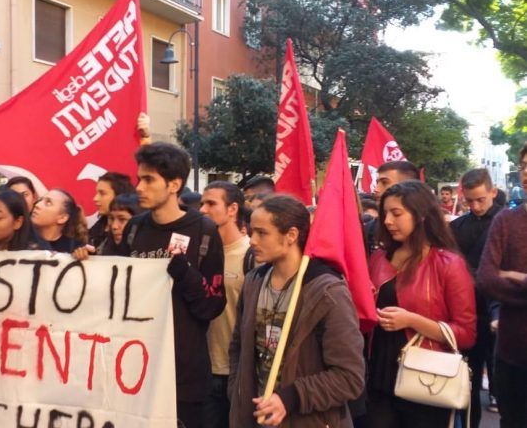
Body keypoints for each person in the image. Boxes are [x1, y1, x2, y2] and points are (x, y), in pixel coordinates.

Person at [228, 195, 365, 427]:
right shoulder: (254, 281)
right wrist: (237, 391)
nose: (252, 240)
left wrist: (290, 397)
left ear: (291, 235)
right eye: (251, 232)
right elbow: (238, 347)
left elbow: (349, 377)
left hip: (308, 419)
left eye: (262, 233)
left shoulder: (327, 291)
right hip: (255, 417)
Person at [115, 142, 225, 428]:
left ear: (174, 184)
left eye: (149, 179)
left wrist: (186, 274)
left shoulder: (204, 231)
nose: (140, 187)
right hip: (136, 370)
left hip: (184, 378)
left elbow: (212, 305)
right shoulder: (135, 228)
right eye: (140, 178)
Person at [366, 180, 476, 428]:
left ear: (422, 215)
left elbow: (466, 334)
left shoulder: (448, 264)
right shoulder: (378, 259)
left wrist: (412, 321)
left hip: (427, 380)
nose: (387, 221)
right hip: (378, 377)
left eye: (397, 214)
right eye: (385, 214)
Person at [477, 142, 527, 428]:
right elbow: (486, 279)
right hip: (511, 353)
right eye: (524, 166)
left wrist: (518, 277)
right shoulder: (506, 221)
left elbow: (498, 280)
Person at [449, 168, 503, 428]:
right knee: (467, 382)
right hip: (466, 312)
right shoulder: (457, 226)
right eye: (470, 201)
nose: (475, 206)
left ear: (493, 192)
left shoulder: (506, 222)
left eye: (481, 199)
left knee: (502, 381)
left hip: (498, 312)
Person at [198, 181, 251, 428]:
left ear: (232, 209)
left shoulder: (251, 255)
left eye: (211, 204)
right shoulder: (199, 252)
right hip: (203, 371)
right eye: (201, 204)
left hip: (237, 373)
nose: (203, 210)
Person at [365, 160, 421, 254]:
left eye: (385, 182)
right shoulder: (370, 228)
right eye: (377, 182)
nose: (376, 189)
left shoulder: (443, 259)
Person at [31, 188, 87, 253]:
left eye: (48, 203)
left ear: (62, 218)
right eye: (40, 200)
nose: (37, 205)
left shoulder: (76, 249)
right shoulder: (22, 241)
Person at [88, 172, 135, 247]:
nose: (95, 198)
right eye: (111, 219)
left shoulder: (138, 231)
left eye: (102, 193)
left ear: (119, 195)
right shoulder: (94, 231)